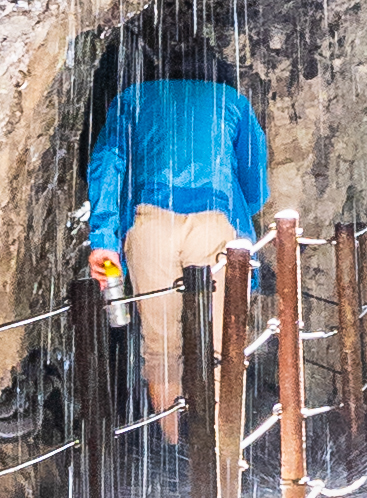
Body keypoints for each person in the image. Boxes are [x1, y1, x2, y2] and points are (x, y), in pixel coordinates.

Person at [81, 64, 272, 438]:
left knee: (162, 348)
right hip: (218, 223)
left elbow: (108, 163)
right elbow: (256, 183)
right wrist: (235, 207)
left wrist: (104, 238)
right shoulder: (229, 100)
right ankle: (221, 455)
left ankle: (173, 450)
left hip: (151, 220)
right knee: (222, 343)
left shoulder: (132, 99)